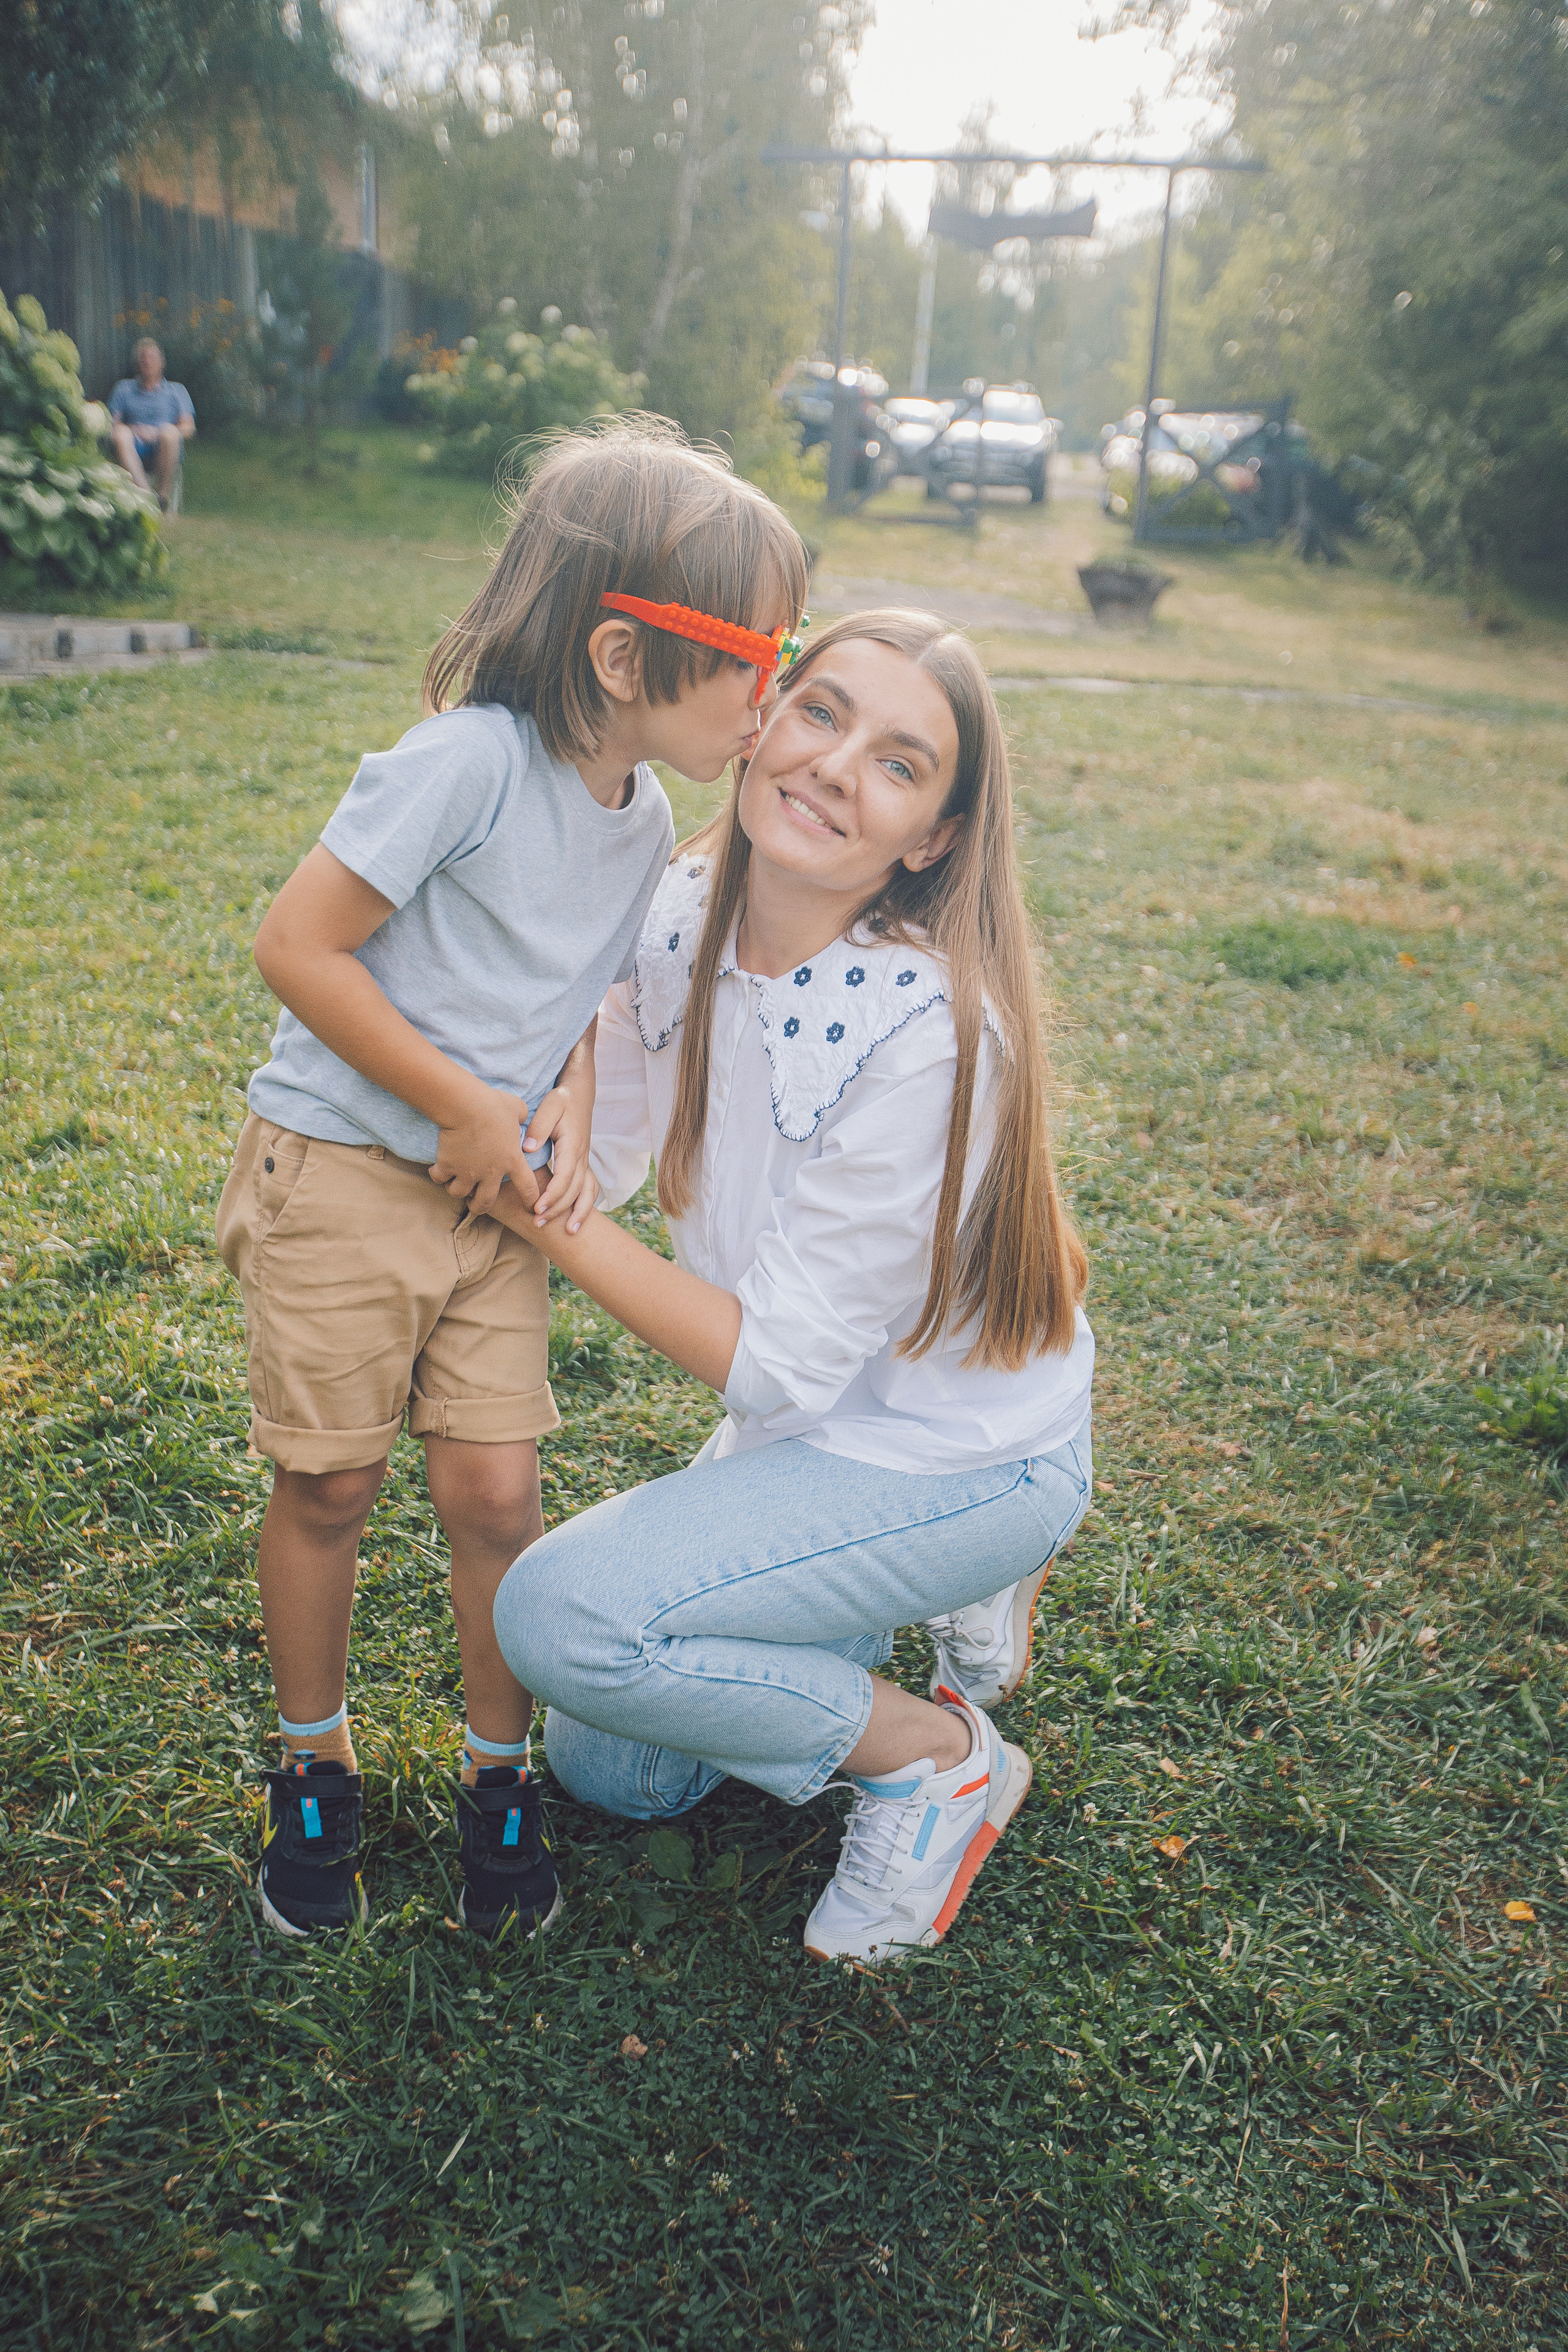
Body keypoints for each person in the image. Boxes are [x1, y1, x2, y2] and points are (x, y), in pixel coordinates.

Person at [214, 419, 810, 1942]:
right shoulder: (464, 765)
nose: (774, 684)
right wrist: (461, 1103)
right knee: (332, 1480)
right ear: (623, 655)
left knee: (495, 1488)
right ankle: (312, 1765)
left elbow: (579, 1012)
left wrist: (547, 1105)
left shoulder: (645, 822)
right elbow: (298, 946)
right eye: (754, 649)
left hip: (488, 1206)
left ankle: (498, 1772)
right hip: (346, 1170)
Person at [488, 608, 1095, 1967]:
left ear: (927, 838)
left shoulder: (930, 1028)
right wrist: (569, 1069)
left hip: (961, 1454)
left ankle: (935, 1758)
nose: (832, 767)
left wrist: (545, 1223)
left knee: (557, 1616)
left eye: (896, 763)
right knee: (614, 1769)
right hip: (818, 1421)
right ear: (759, 720)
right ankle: (906, 1599)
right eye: (820, 714)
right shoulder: (685, 905)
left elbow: (771, 1366)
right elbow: (625, 1135)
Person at [107, 338, 195, 512]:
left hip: (163, 446)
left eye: (152, 358)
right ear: (137, 363)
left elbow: (188, 428)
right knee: (119, 434)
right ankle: (147, 498)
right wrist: (132, 430)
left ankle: (162, 497)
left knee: (170, 433)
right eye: (143, 357)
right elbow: (111, 424)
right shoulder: (123, 389)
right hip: (134, 446)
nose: (147, 361)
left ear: (162, 362)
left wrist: (157, 433)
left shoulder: (177, 391)